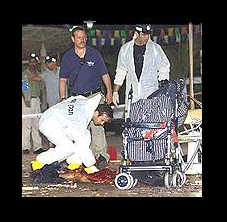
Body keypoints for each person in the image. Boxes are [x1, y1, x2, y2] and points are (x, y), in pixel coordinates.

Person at [59, 26, 113, 168]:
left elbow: (104, 74)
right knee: (78, 129)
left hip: (95, 96)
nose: (82, 40)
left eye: (84, 37)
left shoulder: (94, 54)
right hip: (77, 99)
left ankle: (101, 156)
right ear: (73, 39)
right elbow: (63, 80)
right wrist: (63, 99)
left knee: (97, 126)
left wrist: (109, 91)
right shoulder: (67, 57)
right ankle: (80, 157)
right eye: (78, 37)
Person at [31, 94, 113, 174]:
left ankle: (74, 164)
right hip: (50, 124)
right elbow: (82, 147)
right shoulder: (81, 119)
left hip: (55, 119)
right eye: (102, 120)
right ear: (96, 113)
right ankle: (39, 163)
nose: (102, 123)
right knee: (68, 147)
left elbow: (72, 99)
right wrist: (91, 166)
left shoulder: (84, 101)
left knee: (83, 137)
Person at [112, 24, 170, 111]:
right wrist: (115, 92)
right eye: (143, 34)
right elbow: (121, 71)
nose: (146, 37)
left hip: (151, 95)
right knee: (132, 121)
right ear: (136, 33)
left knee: (151, 120)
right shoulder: (125, 49)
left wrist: (163, 87)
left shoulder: (155, 49)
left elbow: (164, 67)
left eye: (148, 34)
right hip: (133, 95)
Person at [22, 53, 47, 154]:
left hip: (36, 100)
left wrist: (43, 102)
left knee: (36, 124)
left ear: (36, 63)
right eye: (31, 62)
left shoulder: (38, 73)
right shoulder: (24, 74)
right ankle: (25, 147)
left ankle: (37, 147)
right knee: (26, 124)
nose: (33, 64)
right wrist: (27, 100)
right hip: (27, 100)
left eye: (34, 62)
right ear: (29, 63)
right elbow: (24, 87)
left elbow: (42, 88)